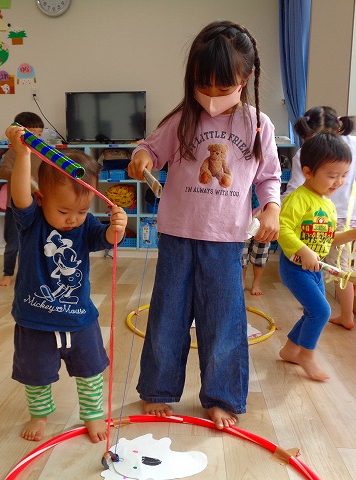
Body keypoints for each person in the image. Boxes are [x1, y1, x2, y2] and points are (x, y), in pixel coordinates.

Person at [127, 20, 281, 429]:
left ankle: (222, 396)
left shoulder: (258, 125)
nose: (212, 96)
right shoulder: (183, 119)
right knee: (167, 316)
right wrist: (142, 158)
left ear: (246, 77)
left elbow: (268, 176)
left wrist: (271, 208)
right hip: (177, 233)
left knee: (223, 321)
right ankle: (158, 389)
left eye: (223, 86)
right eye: (203, 85)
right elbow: (150, 149)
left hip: (226, 239)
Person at [4, 124, 128, 443]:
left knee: (91, 371)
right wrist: (22, 154)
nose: (73, 218)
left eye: (82, 210)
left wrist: (118, 227)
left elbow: (107, 239)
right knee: (36, 375)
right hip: (35, 321)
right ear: (41, 198)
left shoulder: (84, 225)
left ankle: (93, 414)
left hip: (79, 320)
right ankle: (39, 415)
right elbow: (19, 194)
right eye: (63, 211)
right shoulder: (31, 221)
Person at [282, 106, 356, 329]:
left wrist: (349, 144)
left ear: (338, 130)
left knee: (339, 271)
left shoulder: (346, 147)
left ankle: (344, 315)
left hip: (337, 221)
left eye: (344, 175)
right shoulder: (345, 148)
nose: (338, 181)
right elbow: (295, 190)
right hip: (326, 219)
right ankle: (318, 306)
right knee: (321, 265)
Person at [278, 132, 356, 381]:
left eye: (344, 175)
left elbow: (326, 240)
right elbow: (282, 229)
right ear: (308, 172)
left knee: (312, 311)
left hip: (314, 268)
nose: (339, 182)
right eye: (332, 175)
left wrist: (350, 235)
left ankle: (290, 350)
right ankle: (306, 355)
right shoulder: (298, 199)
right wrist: (303, 250)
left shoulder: (327, 204)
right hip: (295, 267)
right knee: (322, 311)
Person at [0, 112, 45, 287]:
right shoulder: (13, 153)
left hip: (39, 204)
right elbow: (3, 172)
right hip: (16, 208)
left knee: (37, 242)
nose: (36, 138)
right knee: (13, 243)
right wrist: (20, 173)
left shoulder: (43, 152)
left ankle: (34, 273)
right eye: (32, 134)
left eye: (39, 134)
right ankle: (8, 273)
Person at [242, 185, 271, 296]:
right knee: (242, 253)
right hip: (244, 218)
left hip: (263, 219)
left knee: (260, 255)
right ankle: (242, 280)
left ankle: (256, 283)